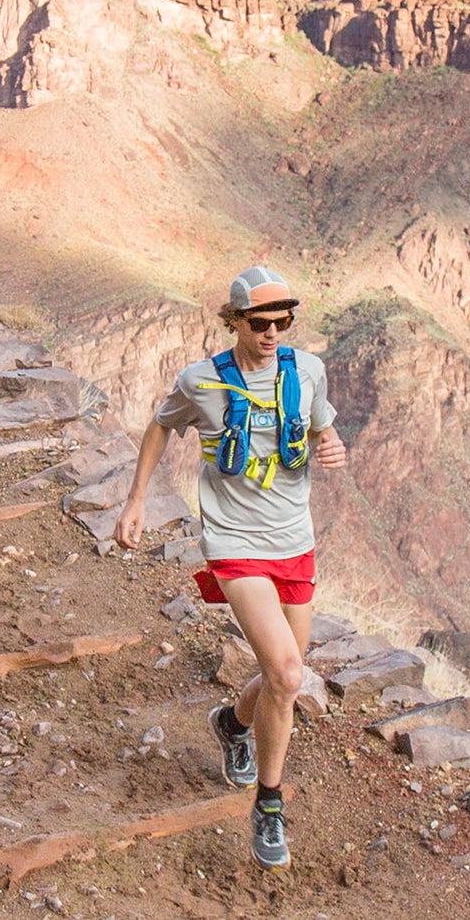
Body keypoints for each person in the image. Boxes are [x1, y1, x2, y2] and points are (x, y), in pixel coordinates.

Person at [115, 265, 347, 870]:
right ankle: (269, 808)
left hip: (294, 539)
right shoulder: (201, 383)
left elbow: (324, 426)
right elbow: (160, 428)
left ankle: (230, 722)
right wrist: (137, 499)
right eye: (259, 323)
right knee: (289, 674)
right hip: (234, 541)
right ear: (234, 322)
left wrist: (333, 444)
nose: (272, 333)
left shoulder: (307, 371)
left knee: (282, 680)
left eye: (283, 321)